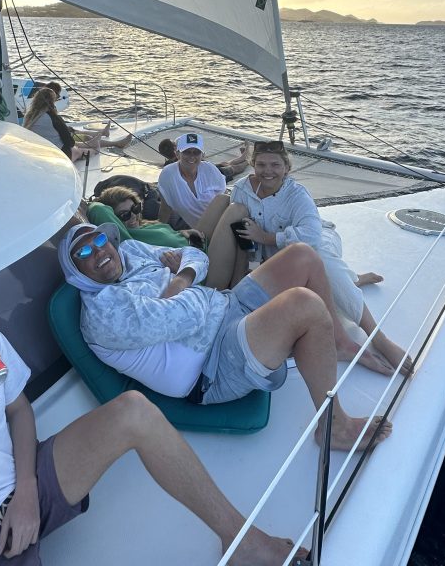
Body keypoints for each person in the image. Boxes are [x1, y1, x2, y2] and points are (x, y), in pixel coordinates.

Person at [0, 262, 305, 566]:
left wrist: (26, 490)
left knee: (134, 411)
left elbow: (17, 409)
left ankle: (240, 540)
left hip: (26, 488)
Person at [58, 224, 396, 451]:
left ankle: (337, 341)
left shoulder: (130, 252)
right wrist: (180, 279)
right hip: (212, 366)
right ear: (75, 271)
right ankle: (333, 425)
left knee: (303, 255)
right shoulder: (105, 312)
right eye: (84, 254)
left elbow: (195, 256)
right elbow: (189, 316)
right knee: (302, 305)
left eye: (99, 241)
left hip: (225, 305)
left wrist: (179, 280)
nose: (99, 252)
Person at [230, 140, 414, 375]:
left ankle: (378, 338)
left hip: (320, 240)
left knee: (320, 260)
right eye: (261, 164)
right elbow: (243, 236)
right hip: (280, 256)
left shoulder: (296, 194)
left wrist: (266, 237)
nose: (268, 171)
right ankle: (354, 279)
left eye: (275, 165)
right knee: (309, 288)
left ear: (287, 167)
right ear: (252, 165)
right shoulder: (242, 191)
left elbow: (311, 237)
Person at [91, 186, 247, 289]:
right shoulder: (127, 240)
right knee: (237, 211)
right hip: (202, 272)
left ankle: (244, 259)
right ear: (115, 220)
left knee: (223, 198)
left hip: (196, 245)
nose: (133, 216)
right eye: (124, 215)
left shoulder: (146, 225)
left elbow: (166, 238)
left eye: (135, 208)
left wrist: (181, 233)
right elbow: (97, 209)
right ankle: (238, 279)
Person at [23, 86, 131, 162]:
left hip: (38, 151)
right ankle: (96, 148)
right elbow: (69, 142)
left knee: (80, 142)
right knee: (80, 150)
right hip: (56, 154)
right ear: (52, 101)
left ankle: (98, 141)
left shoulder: (29, 116)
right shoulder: (53, 117)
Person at [157, 133, 233, 238]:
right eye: (187, 152)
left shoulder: (210, 169)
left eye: (196, 152)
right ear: (178, 154)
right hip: (202, 233)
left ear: (202, 155)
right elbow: (165, 208)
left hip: (226, 222)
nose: (192, 156)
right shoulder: (168, 174)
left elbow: (225, 199)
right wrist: (159, 234)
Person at [158, 137, 250, 180]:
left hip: (208, 169)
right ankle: (247, 160)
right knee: (234, 168)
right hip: (210, 175)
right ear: (175, 150)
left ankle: (244, 156)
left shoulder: (167, 166)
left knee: (224, 163)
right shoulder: (182, 160)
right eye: (175, 144)